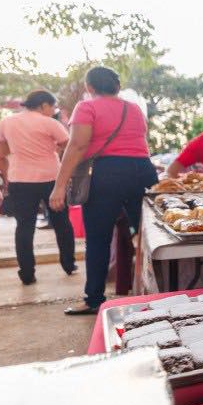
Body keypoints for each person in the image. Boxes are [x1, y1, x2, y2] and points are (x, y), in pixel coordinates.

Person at [50, 66, 157, 315]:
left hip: (107, 173)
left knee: (99, 238)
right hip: (143, 171)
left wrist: (59, 186)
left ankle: (94, 299)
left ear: (89, 87)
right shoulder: (134, 108)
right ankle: (159, 291)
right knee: (149, 236)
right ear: (117, 87)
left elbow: (76, 146)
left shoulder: (87, 107)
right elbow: (142, 141)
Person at [0, 90, 77, 284]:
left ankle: (27, 273)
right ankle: (68, 264)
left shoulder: (7, 122)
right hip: (50, 179)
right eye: (53, 107)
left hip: (19, 180)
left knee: (24, 227)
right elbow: (70, 146)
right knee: (62, 223)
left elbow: (0, 152)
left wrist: (7, 173)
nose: (53, 111)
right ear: (44, 105)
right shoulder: (49, 123)